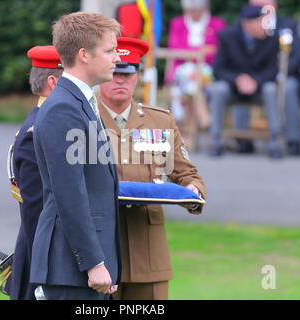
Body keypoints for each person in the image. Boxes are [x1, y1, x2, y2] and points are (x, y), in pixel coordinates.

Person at [98, 37, 207, 300]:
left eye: (127, 73)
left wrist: (193, 190)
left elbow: (187, 173)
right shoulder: (80, 116)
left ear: (137, 77)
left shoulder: (161, 120)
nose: (120, 80)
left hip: (148, 251)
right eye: (113, 73)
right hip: (99, 253)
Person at [30, 12, 122, 300]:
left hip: (80, 268)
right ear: (84, 54)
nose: (116, 58)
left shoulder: (78, 102)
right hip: (70, 268)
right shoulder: (64, 109)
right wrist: (94, 262)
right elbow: (70, 193)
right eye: (109, 50)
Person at [209, 4, 300, 159]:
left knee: (271, 89)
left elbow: (274, 69)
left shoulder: (271, 38)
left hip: (260, 87)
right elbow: (218, 69)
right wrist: (238, 79)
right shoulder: (227, 36)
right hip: (234, 86)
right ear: (248, 24)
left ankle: (274, 139)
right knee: (218, 88)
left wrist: (255, 81)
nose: (265, 25)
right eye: (261, 22)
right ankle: (216, 138)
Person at [6, 46, 63, 300]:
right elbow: (36, 212)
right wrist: (44, 273)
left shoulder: (45, 123)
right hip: (44, 261)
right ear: (53, 82)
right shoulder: (37, 131)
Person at [166, 0, 227, 148]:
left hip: (208, 71)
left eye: (198, 10)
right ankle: (202, 113)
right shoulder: (177, 23)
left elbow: (218, 52)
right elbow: (175, 48)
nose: (194, 14)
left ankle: (189, 136)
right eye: (191, 10)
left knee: (194, 77)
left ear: (205, 9)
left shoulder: (217, 24)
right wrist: (200, 52)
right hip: (182, 71)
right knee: (190, 74)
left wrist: (192, 53)